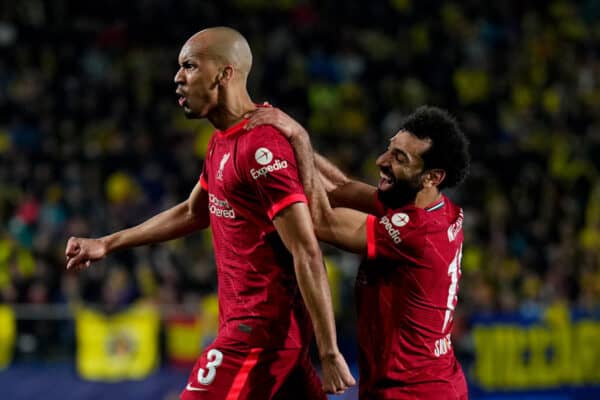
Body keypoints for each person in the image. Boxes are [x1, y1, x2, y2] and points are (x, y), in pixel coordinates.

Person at [64, 26, 355, 399]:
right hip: (263, 333)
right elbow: (191, 212)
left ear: (224, 73)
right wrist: (106, 243)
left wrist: (329, 352)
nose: (177, 78)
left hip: (259, 334)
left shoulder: (262, 148)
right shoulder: (223, 140)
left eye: (189, 66)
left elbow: (306, 249)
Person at [246, 105, 470, 399]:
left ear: (432, 177)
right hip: (428, 381)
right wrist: (281, 140)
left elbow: (320, 220)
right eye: (390, 149)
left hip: (413, 392)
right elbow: (341, 187)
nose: (382, 160)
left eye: (399, 158)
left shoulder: (416, 232)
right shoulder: (429, 206)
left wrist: (298, 137)